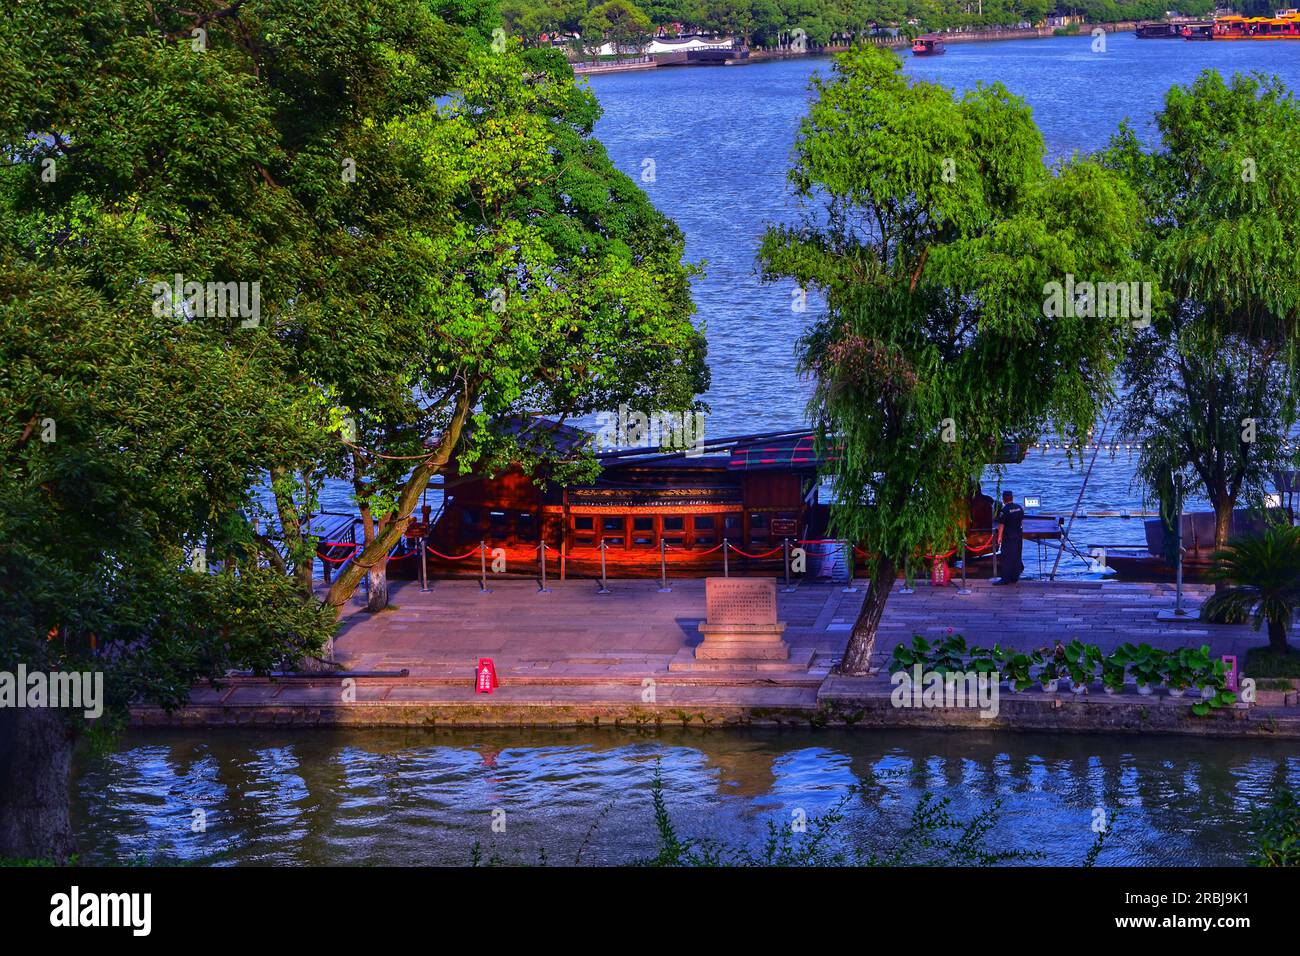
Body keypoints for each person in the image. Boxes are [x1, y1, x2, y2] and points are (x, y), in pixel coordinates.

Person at [993, 491, 1025, 585]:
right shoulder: (1019, 508)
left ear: (1003, 499)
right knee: (1016, 556)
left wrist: (999, 537)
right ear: (1012, 498)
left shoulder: (1004, 510)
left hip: (1008, 537)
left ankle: (1005, 578)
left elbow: (1001, 525)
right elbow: (1021, 522)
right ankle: (1015, 577)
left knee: (1006, 557)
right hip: (1018, 536)